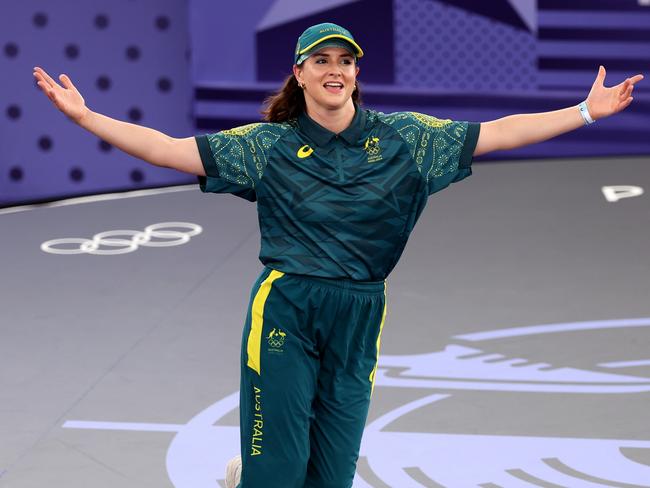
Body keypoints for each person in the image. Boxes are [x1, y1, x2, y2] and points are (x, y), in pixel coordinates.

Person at [33, 21, 643, 488]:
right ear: (299, 74)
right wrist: (86, 117)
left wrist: (588, 111)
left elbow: (501, 131)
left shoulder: (407, 141)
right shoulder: (266, 146)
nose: (336, 69)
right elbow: (168, 149)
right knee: (280, 469)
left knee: (330, 475)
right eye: (322, 60)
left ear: (355, 73)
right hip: (288, 309)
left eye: (345, 61)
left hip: (359, 313)